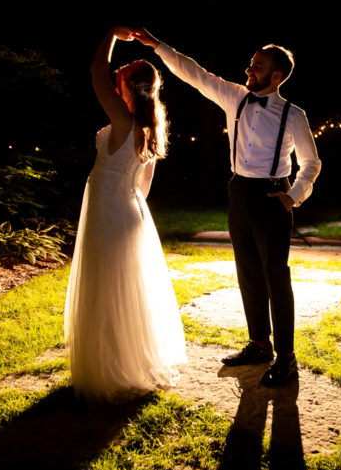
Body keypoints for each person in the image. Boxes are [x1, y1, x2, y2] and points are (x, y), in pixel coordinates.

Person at [133, 27, 321, 387]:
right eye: (251, 63)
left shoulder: (293, 115)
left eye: (258, 66)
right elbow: (195, 73)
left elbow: (311, 163)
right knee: (248, 271)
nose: (250, 70)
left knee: (275, 275)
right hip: (239, 191)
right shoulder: (235, 97)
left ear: (276, 76)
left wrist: (293, 195)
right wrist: (158, 46)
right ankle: (259, 344)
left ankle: (287, 357)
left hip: (272, 196)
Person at [63, 26, 187, 402]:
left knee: (107, 289)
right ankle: (127, 360)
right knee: (126, 290)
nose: (113, 86)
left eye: (120, 81)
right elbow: (143, 186)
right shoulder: (150, 127)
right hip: (131, 211)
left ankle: (111, 369)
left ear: (127, 88)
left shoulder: (123, 121)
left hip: (110, 211)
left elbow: (94, 72)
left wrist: (110, 35)